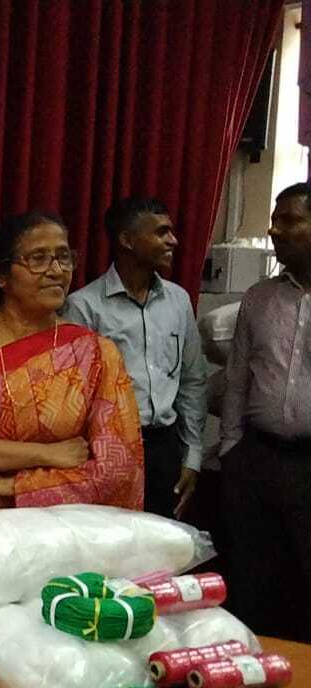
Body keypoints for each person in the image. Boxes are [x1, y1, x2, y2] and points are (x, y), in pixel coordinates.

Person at [0, 211, 144, 511]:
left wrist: (13, 487)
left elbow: (118, 470)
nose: (56, 270)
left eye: (63, 257)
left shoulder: (95, 353)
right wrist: (47, 454)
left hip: (58, 526)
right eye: (38, 259)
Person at [62, 197, 208, 519]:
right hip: (108, 447)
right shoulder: (84, 307)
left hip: (165, 446)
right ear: (127, 240)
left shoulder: (178, 300)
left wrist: (192, 455)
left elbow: (192, 380)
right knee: (112, 538)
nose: (173, 241)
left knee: (163, 539)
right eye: (161, 232)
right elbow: (73, 397)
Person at [219, 182, 311, 641]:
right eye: (274, 221)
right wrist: (231, 447)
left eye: (290, 220)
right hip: (257, 460)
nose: (275, 230)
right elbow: (237, 376)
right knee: (252, 581)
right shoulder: (258, 297)